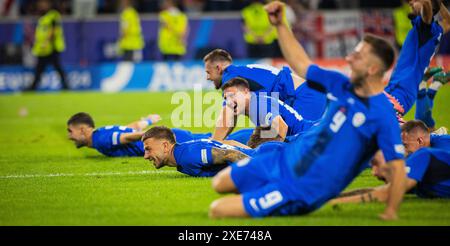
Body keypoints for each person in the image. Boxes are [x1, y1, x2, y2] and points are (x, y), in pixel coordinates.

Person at [208, 1, 406, 220]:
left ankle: (268, 196)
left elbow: (396, 167)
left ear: (372, 69)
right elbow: (301, 64)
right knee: (220, 183)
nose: (349, 58)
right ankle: (263, 190)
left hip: (302, 186)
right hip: (285, 158)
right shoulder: (341, 84)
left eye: (357, 56)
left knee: (218, 210)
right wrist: (281, 25)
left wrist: (391, 212)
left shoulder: (382, 115)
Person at [203, 49, 327, 141]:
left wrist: (214, 145)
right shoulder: (241, 72)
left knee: (301, 141)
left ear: (218, 68)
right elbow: (230, 120)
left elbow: (226, 118)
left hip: (306, 96)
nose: (208, 77)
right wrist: (221, 140)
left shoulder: (230, 77)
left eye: (208, 72)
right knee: (260, 136)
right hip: (305, 95)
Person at [330, 120, 450, 203]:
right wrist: (330, 197)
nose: (402, 152)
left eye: (405, 146)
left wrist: (332, 203)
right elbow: (380, 190)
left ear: (420, 141)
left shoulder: (424, 155)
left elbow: (387, 193)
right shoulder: (419, 166)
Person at [383, 0, 449, 122]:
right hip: (402, 90)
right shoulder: (436, 31)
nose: (410, 3)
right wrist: (438, 3)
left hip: (400, 90)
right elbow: (448, 22)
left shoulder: (424, 28)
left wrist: (427, 3)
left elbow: (428, 11)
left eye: (415, 0)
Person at [142, 126, 284, 177]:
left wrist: (262, 173)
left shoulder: (187, 156)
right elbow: (229, 145)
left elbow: (230, 154)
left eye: (148, 149)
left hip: (270, 157)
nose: (145, 156)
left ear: (166, 146)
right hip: (266, 152)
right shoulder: (183, 154)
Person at [222, 77, 317, 146]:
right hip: (308, 134)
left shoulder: (256, 105)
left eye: (232, 95)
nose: (229, 102)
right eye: (226, 98)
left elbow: (282, 128)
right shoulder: (256, 105)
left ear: (246, 92)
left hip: (309, 135)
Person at [67, 112, 161, 157]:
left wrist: (157, 133)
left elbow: (127, 137)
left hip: (160, 145)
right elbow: (130, 128)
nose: (69, 136)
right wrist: (148, 121)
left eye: (70, 131)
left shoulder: (100, 140)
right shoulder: (100, 132)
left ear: (82, 130)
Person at [28, 0, 68, 91]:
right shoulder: (43, 16)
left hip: (52, 47)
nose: (42, 5)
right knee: (40, 69)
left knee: (56, 67)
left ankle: (66, 86)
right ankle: (33, 87)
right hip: (43, 49)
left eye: (44, 3)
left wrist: (46, 41)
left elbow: (53, 30)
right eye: (40, 3)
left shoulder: (53, 15)